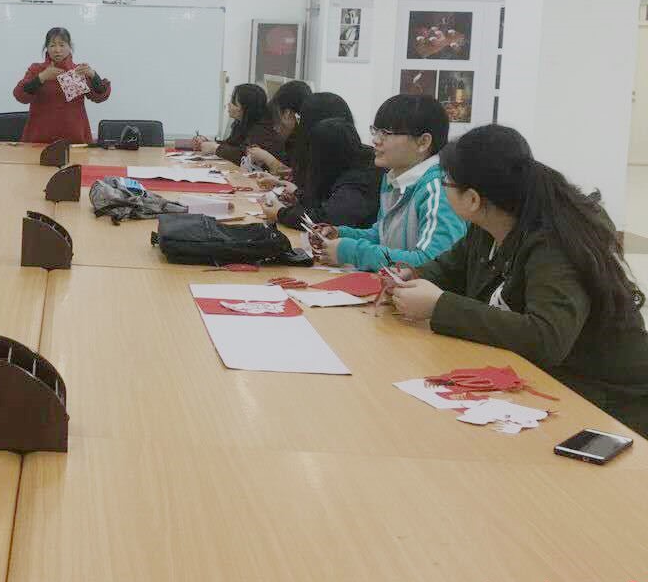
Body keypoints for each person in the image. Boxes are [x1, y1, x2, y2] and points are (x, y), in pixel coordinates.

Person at [386, 125, 648, 437]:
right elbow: (449, 268)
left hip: (603, 400)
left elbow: (547, 338)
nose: (443, 190)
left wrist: (439, 306)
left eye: (446, 183)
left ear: (472, 198)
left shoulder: (554, 245)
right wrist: (413, 276)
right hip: (539, 379)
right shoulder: (489, 224)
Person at [317, 94, 466, 272]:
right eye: (376, 131)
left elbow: (432, 265)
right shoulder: (393, 178)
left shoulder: (439, 189)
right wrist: (341, 234)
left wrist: (354, 252)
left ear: (423, 142)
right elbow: (382, 235)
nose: (375, 140)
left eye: (386, 133)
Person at [267, 116, 381, 230]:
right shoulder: (355, 161)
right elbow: (327, 204)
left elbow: (323, 219)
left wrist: (280, 213)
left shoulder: (359, 182)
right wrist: (298, 195)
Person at [12, 27, 111, 144]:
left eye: (62, 45)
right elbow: (20, 95)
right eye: (52, 45)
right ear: (47, 48)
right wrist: (41, 77)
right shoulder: (36, 69)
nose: (57, 50)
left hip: (75, 139)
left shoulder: (78, 71)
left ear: (70, 47)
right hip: (39, 139)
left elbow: (100, 96)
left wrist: (93, 75)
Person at [196, 83, 285, 165]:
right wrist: (207, 142)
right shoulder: (241, 123)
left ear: (246, 108)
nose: (229, 104)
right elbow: (231, 144)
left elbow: (245, 155)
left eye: (234, 102)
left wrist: (216, 148)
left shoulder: (263, 129)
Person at [248, 80, 311, 177]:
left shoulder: (301, 138)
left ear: (287, 113)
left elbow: (294, 177)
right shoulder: (266, 126)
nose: (276, 128)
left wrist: (268, 159)